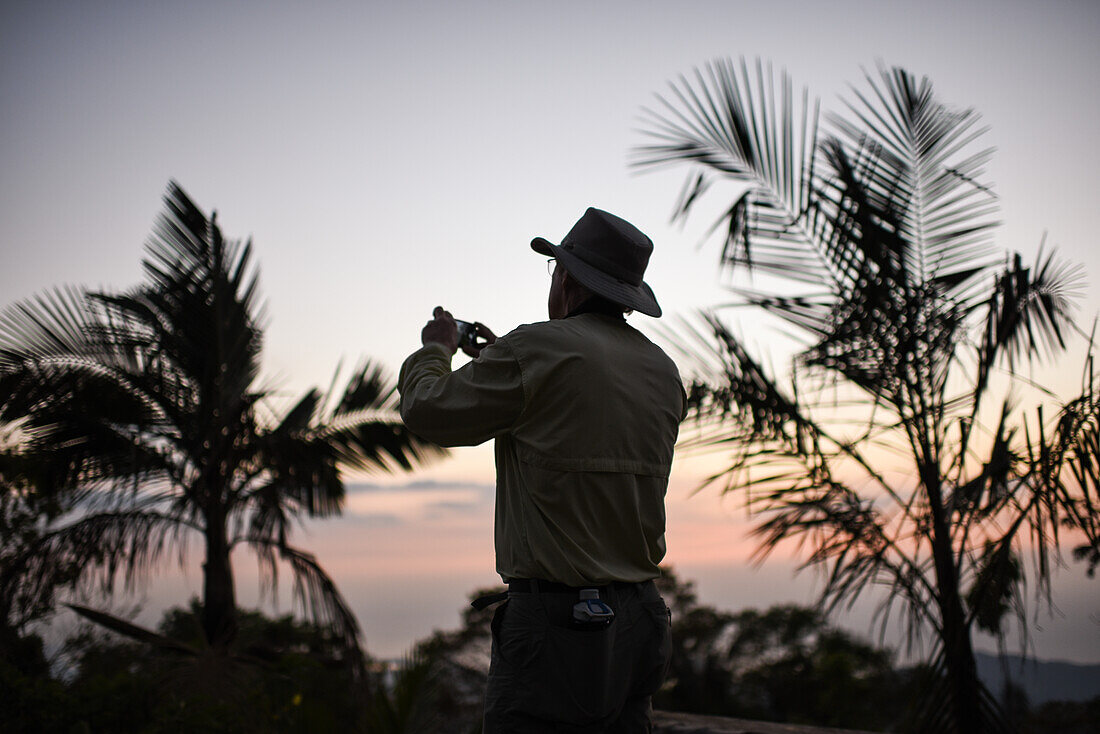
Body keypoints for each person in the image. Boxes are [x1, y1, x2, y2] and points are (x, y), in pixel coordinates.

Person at [398, 207, 686, 733]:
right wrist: (497, 357)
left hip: (558, 629)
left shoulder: (537, 349)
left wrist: (436, 350)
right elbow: (575, 408)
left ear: (568, 279)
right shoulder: (662, 370)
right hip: (640, 621)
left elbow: (429, 409)